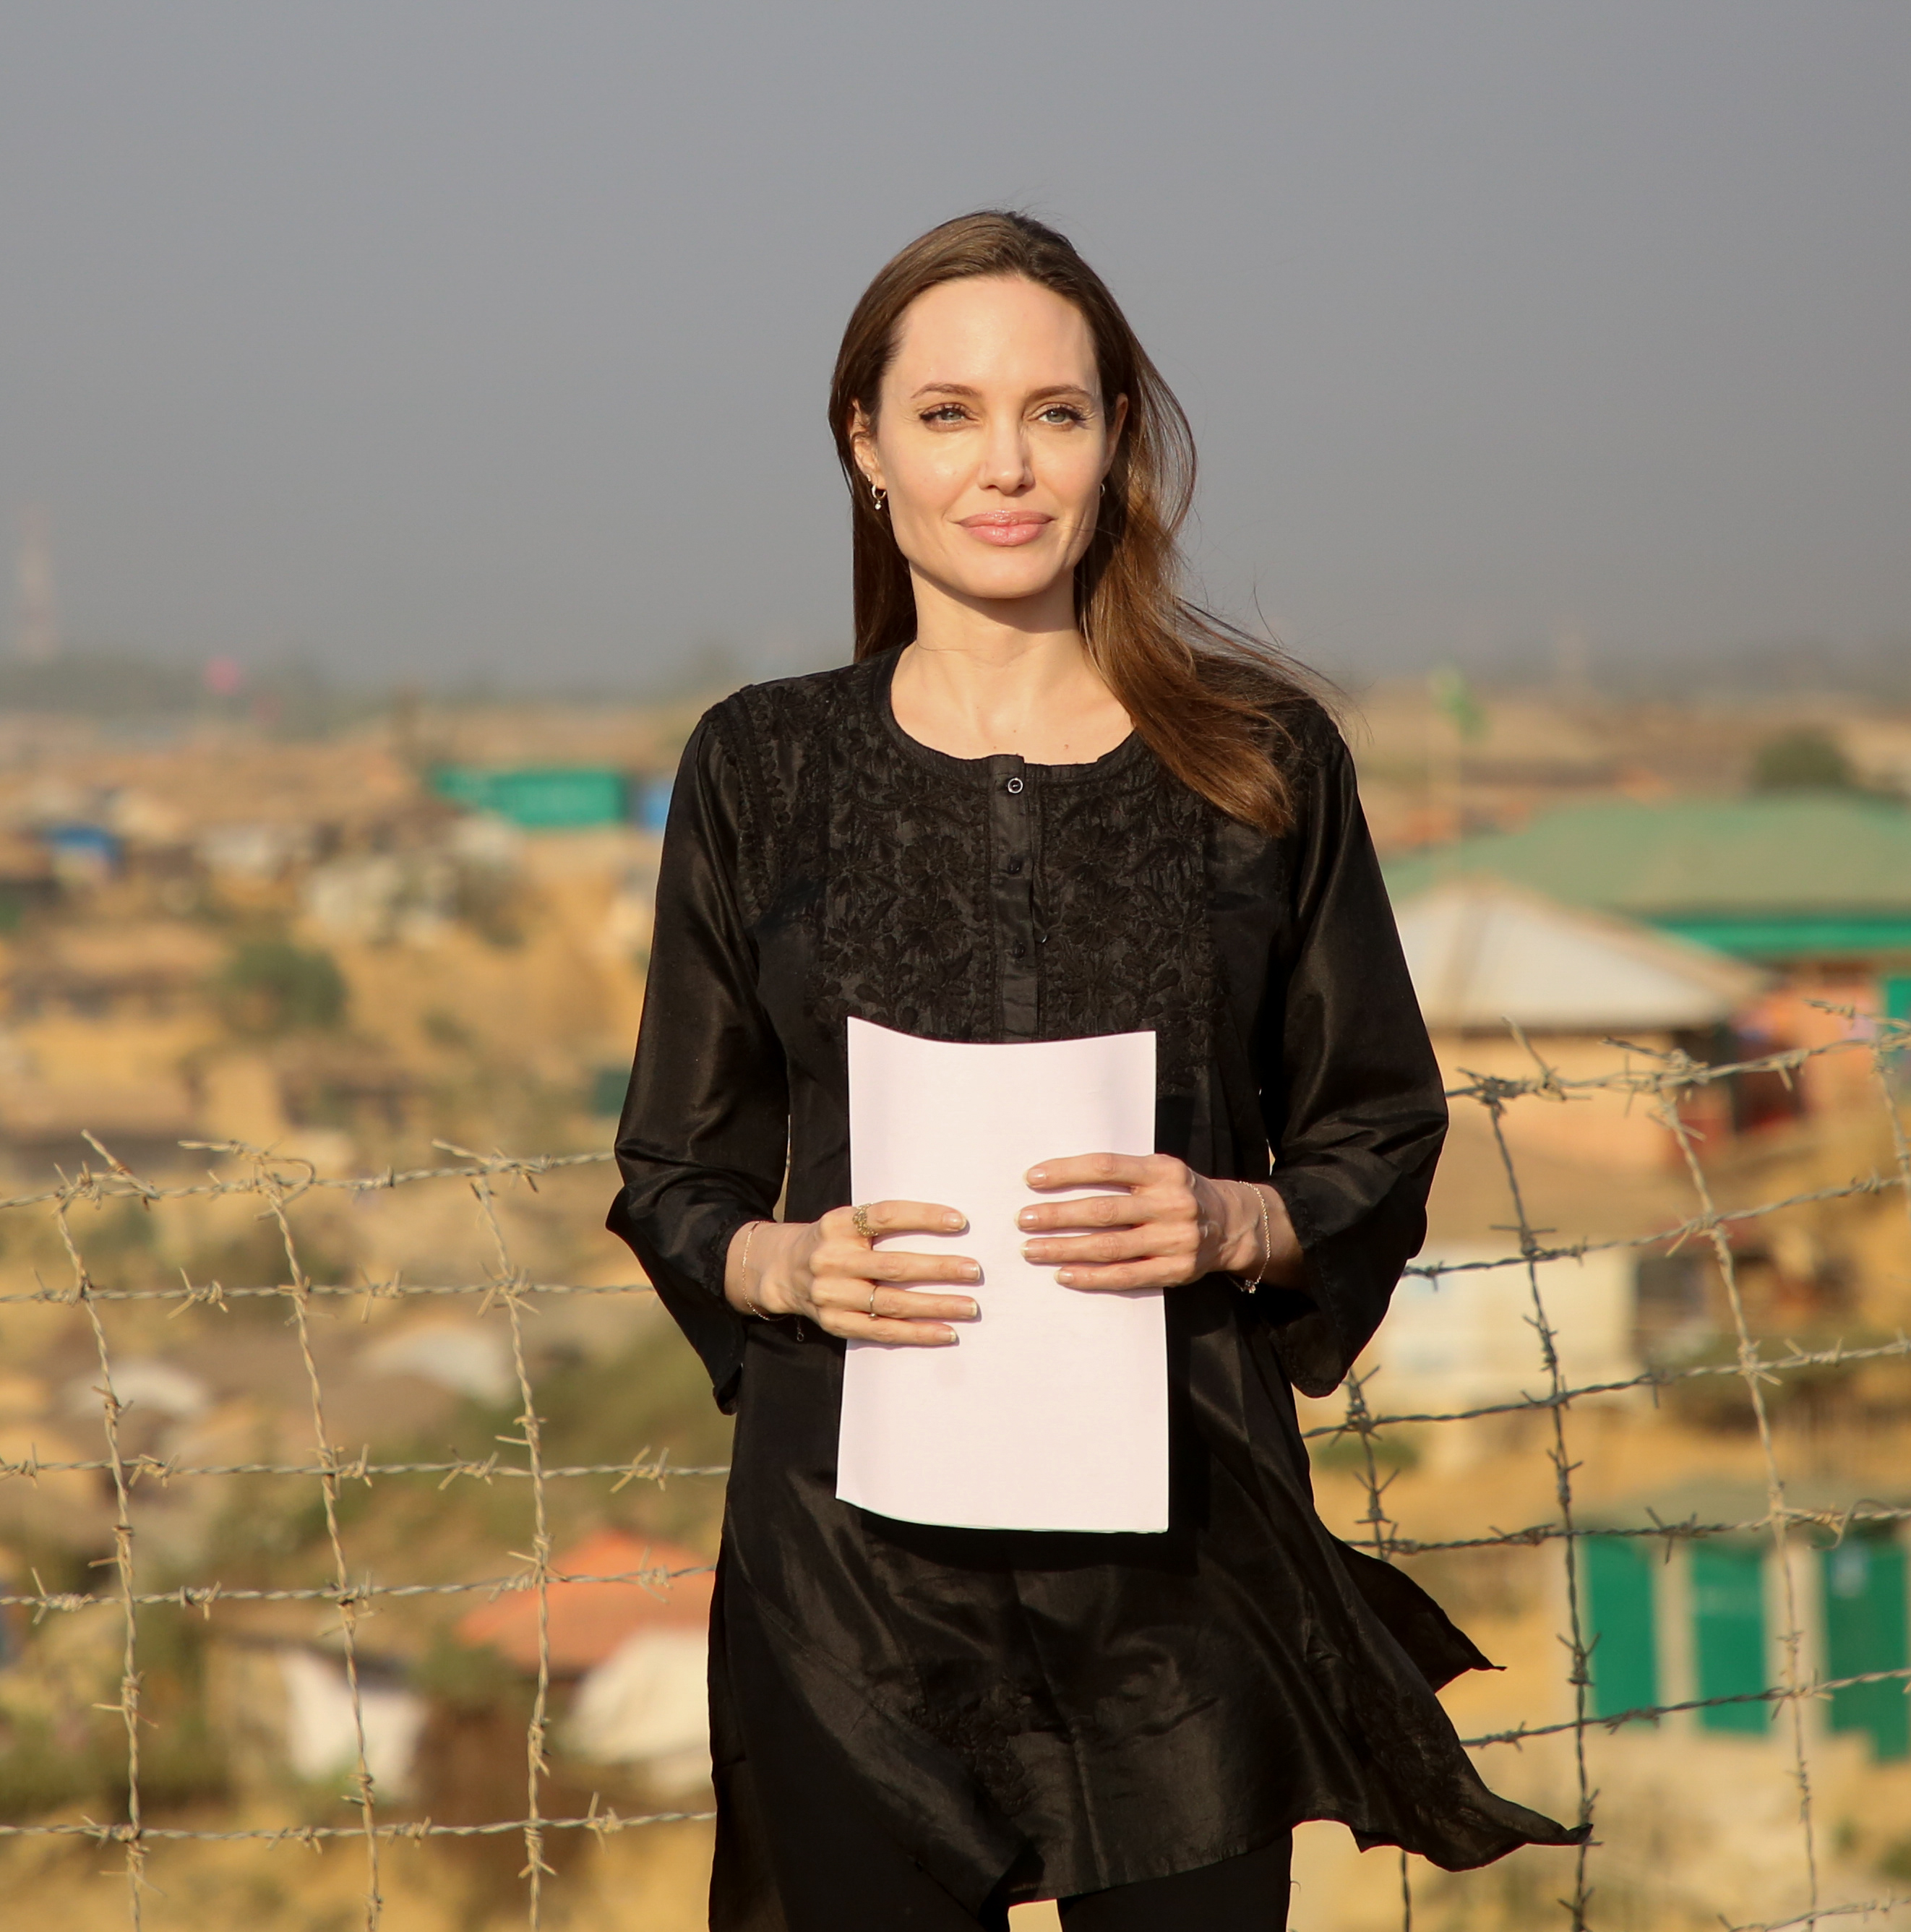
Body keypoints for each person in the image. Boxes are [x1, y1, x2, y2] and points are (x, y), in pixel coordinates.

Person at [606, 211, 1578, 1931]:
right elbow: (673, 1171)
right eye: (948, 412)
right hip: (846, 1560)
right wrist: (776, 1256)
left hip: (1179, 1560)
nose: (1005, 464)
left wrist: (1236, 1221)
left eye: (1055, 412)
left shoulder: (1262, 757)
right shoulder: (758, 762)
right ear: (862, 441)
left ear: (1117, 438)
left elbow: (1375, 1118)